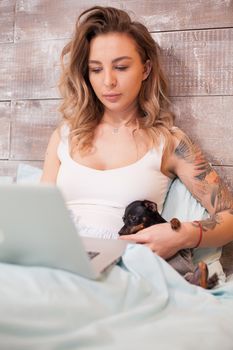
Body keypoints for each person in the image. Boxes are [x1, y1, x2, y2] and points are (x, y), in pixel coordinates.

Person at [41, 5, 233, 260]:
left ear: (145, 69)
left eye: (121, 67)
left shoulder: (168, 142)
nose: (108, 81)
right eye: (96, 69)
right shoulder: (64, 136)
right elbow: (39, 216)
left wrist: (182, 234)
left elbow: (229, 216)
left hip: (125, 267)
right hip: (57, 260)